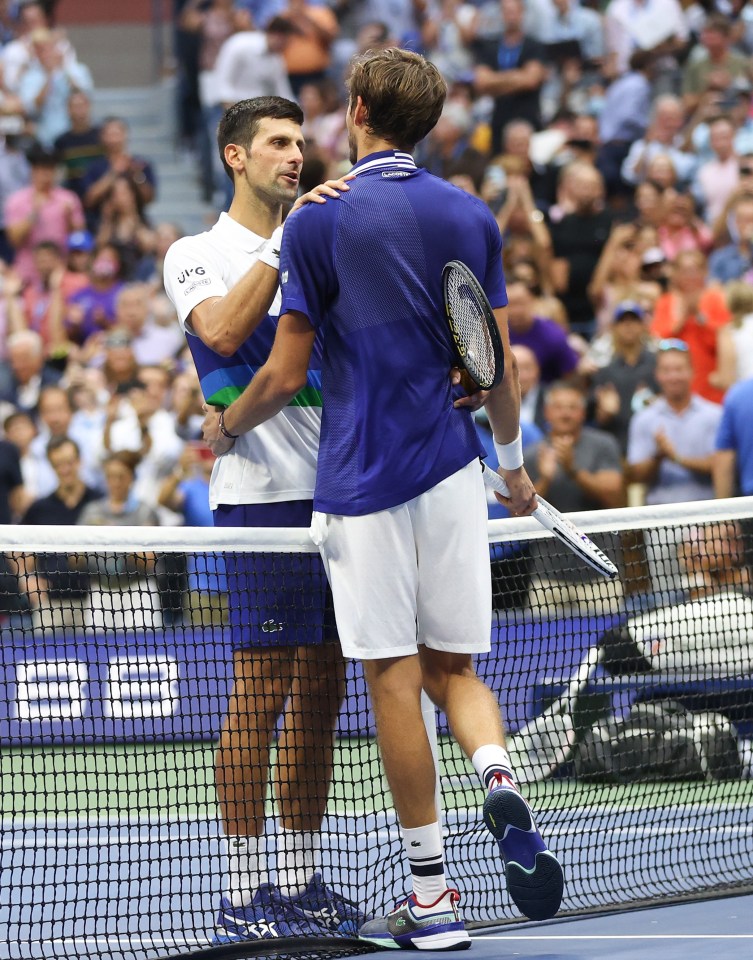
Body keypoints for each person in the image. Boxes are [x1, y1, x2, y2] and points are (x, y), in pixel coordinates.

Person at [201, 49, 564, 950]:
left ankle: (432, 902)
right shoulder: (471, 214)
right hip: (451, 471)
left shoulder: (319, 226)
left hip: (360, 482)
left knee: (393, 684)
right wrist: (512, 467)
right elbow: (498, 368)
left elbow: (284, 374)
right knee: (459, 672)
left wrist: (225, 427)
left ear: (356, 109)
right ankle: (498, 779)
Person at [163, 95, 360, 941]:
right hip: (259, 498)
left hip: (345, 494)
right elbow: (221, 330)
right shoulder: (194, 253)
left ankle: (299, 878)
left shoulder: (322, 242)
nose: (297, 154)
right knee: (258, 692)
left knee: (322, 691)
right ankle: (244, 893)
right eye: (278, 142)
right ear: (235, 156)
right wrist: (283, 247)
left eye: (302, 141)